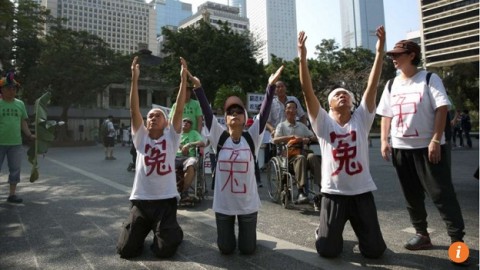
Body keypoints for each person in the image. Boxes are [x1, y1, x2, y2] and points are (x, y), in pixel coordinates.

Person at [298, 26, 387, 259]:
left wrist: (379, 53)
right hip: (333, 193)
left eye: (346, 94)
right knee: (328, 251)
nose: (343, 95)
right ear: (329, 106)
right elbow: (308, 94)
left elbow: (372, 86)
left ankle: (363, 233)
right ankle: (324, 231)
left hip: (362, 192)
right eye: (337, 94)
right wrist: (303, 59)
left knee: (375, 251)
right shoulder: (323, 123)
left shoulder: (361, 118)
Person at [377, 38, 467, 259]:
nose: (393, 59)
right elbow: (386, 115)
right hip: (401, 148)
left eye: (397, 54)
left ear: (411, 55)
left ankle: (457, 241)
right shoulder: (391, 84)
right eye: (392, 55)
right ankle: (422, 234)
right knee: (411, 194)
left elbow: (442, 108)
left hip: (428, 148)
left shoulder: (429, 78)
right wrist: (384, 141)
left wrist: (436, 140)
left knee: (441, 194)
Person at [192, 65, 284, 255]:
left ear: (245, 118)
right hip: (223, 204)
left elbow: (264, 113)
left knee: (248, 249)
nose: (234, 114)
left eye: (239, 111)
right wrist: (198, 88)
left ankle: (248, 239)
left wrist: (270, 86)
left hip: (247, 204)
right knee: (225, 249)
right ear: (225, 119)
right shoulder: (220, 137)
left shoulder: (252, 137)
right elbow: (208, 115)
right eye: (230, 112)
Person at [116, 56, 188, 259]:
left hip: (165, 202)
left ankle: (172, 230)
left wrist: (183, 80)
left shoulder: (171, 138)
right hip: (141, 201)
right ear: (146, 123)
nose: (153, 117)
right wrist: (134, 79)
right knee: (126, 251)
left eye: (158, 115)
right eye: (150, 116)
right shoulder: (141, 138)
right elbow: (134, 110)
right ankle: (141, 230)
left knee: (164, 251)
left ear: (166, 123)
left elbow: (179, 108)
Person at [272, 100, 321, 205]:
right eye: (289, 108)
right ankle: (301, 191)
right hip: (289, 156)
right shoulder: (281, 126)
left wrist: (309, 139)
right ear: (285, 111)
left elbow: (314, 137)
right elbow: (275, 140)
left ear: (296, 111)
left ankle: (322, 188)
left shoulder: (301, 126)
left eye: (293, 108)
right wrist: (291, 137)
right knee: (301, 158)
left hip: (303, 152)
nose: (291, 110)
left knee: (312, 156)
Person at [0, 72, 36, 203]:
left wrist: (29, 135)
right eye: (9, 88)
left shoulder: (20, 104)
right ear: (2, 90)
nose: (12, 90)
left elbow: (23, 122)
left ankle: (12, 194)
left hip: (15, 143)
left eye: (14, 88)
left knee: (15, 169)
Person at [176, 117, 205, 202]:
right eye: (184, 121)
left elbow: (202, 143)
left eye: (188, 122)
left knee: (191, 164)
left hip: (189, 157)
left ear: (191, 125)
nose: (186, 123)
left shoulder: (194, 133)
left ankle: (184, 192)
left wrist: (189, 144)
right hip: (175, 157)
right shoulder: (177, 133)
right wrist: (180, 146)